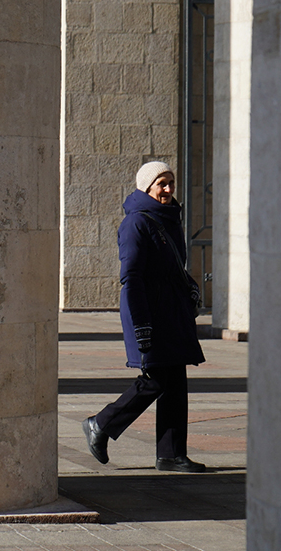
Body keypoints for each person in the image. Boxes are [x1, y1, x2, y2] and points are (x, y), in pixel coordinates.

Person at [82, 161, 207, 472]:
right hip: (150, 313)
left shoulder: (170, 219)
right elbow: (132, 277)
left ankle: (171, 454)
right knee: (157, 380)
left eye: (170, 182)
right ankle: (101, 423)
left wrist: (188, 287)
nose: (168, 189)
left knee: (174, 381)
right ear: (146, 187)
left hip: (172, 311)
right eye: (161, 183)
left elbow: (172, 268)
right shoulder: (136, 223)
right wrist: (141, 324)